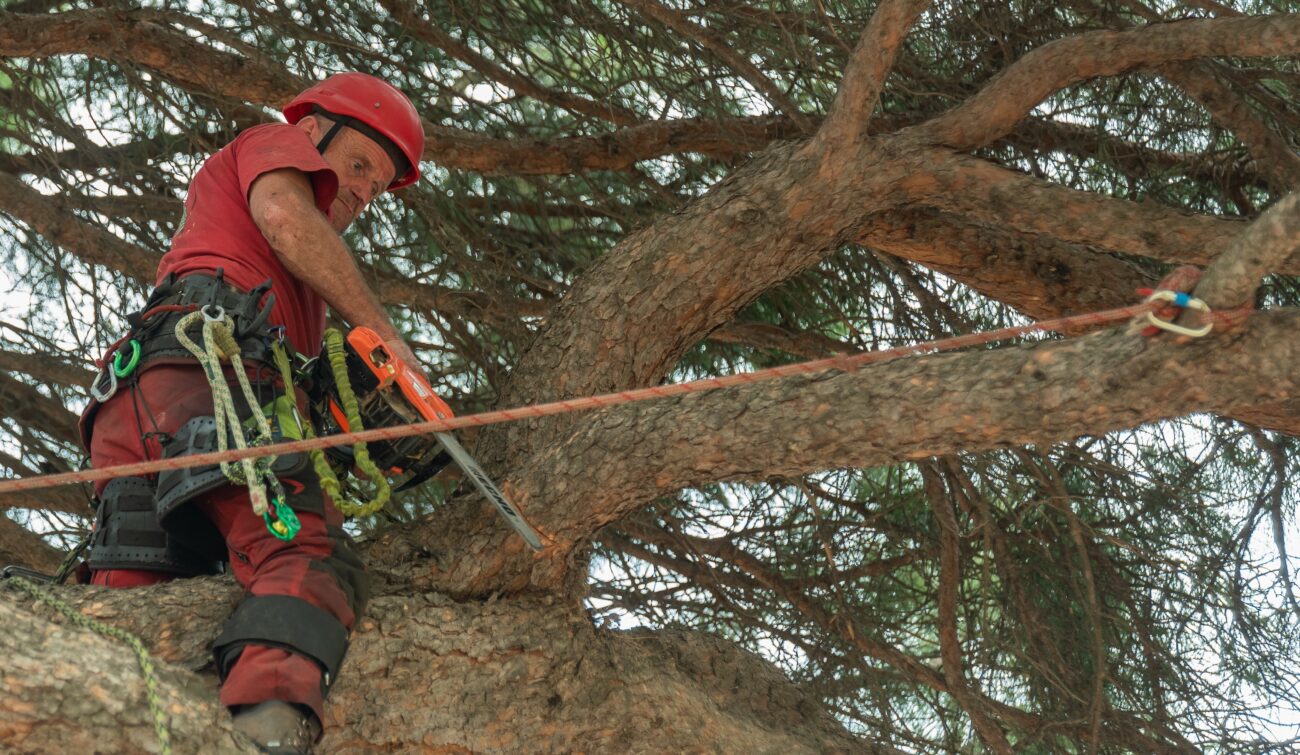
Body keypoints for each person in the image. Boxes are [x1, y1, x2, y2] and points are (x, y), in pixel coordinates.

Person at [79, 72, 426, 753]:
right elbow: (287, 217)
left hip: (141, 399)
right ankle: (267, 731)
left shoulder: (281, 278)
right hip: (208, 377)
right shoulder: (270, 146)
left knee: (132, 605)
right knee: (305, 550)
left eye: (376, 186)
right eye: (358, 164)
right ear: (308, 132)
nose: (361, 190)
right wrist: (391, 342)